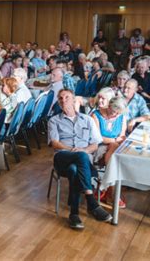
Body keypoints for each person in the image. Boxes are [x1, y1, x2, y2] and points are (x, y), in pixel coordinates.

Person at [48, 89, 112, 229]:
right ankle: (91, 201)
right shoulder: (54, 120)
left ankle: (74, 214)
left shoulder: (87, 119)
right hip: (62, 156)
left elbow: (95, 144)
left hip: (82, 162)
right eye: (60, 98)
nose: (63, 100)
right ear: (58, 102)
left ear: (73, 100)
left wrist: (83, 151)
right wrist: (74, 150)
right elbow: (55, 143)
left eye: (67, 97)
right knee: (80, 158)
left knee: (74, 169)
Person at [91, 96, 127, 208]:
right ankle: (111, 192)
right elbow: (97, 138)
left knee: (116, 149)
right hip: (97, 147)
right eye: (114, 112)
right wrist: (114, 141)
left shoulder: (121, 116)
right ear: (109, 106)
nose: (116, 115)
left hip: (113, 147)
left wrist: (115, 141)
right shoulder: (95, 115)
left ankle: (107, 189)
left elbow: (122, 135)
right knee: (116, 150)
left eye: (118, 113)